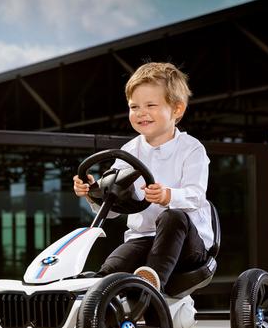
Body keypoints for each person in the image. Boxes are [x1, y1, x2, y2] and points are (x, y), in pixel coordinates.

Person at [73, 62, 213, 293]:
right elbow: (114, 208)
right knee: (110, 271)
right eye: (134, 106)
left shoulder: (191, 149)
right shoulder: (127, 152)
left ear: (177, 109)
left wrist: (167, 195)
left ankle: (150, 288)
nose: (141, 112)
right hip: (143, 238)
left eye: (150, 105)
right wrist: (93, 192)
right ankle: (94, 297)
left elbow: (196, 196)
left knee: (173, 216)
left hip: (189, 245)